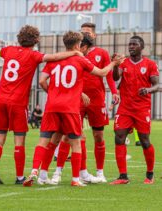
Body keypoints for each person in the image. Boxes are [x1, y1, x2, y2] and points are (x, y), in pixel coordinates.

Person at [23, 31, 123, 187]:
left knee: (47, 140)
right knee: (76, 142)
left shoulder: (54, 59)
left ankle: (39, 173)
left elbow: (42, 81)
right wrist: (113, 64)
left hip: (52, 106)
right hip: (70, 107)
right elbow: (102, 72)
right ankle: (76, 179)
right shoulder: (80, 59)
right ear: (77, 45)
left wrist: (55, 93)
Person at [0, 25, 82, 185]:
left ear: (20, 38)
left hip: (1, 100)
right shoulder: (33, 55)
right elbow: (53, 57)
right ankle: (19, 177)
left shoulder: (8, 50)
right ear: (36, 40)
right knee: (19, 140)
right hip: (18, 102)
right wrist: (73, 52)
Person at [51, 23, 119, 184]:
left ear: (93, 36)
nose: (84, 34)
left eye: (87, 32)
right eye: (82, 32)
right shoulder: (73, 55)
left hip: (97, 100)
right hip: (76, 100)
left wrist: (114, 91)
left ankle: (100, 172)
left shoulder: (102, 53)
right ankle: (59, 172)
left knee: (98, 136)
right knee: (70, 136)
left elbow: (107, 74)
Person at [110, 36, 159, 185]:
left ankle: (150, 174)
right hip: (125, 108)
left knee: (145, 141)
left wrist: (148, 89)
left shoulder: (150, 64)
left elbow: (156, 85)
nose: (131, 46)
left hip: (142, 108)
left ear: (141, 47)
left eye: (134, 44)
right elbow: (115, 77)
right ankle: (123, 176)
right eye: (129, 44)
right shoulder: (123, 63)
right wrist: (114, 65)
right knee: (119, 137)